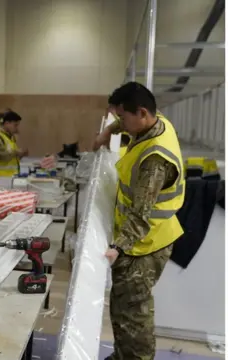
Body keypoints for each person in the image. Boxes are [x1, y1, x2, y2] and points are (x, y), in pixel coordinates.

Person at [94, 82, 185, 360]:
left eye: (123, 117)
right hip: (145, 237)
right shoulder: (156, 123)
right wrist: (109, 130)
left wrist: (117, 248)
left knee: (134, 314)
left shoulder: (155, 161)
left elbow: (140, 214)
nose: (121, 123)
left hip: (146, 243)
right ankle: (124, 355)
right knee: (122, 307)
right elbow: (125, 123)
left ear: (142, 113)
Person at [0, 111, 28, 190]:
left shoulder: (11, 137)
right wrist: (16, 152)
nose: (16, 128)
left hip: (9, 178)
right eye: (15, 125)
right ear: (7, 123)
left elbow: (11, 159)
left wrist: (20, 154)